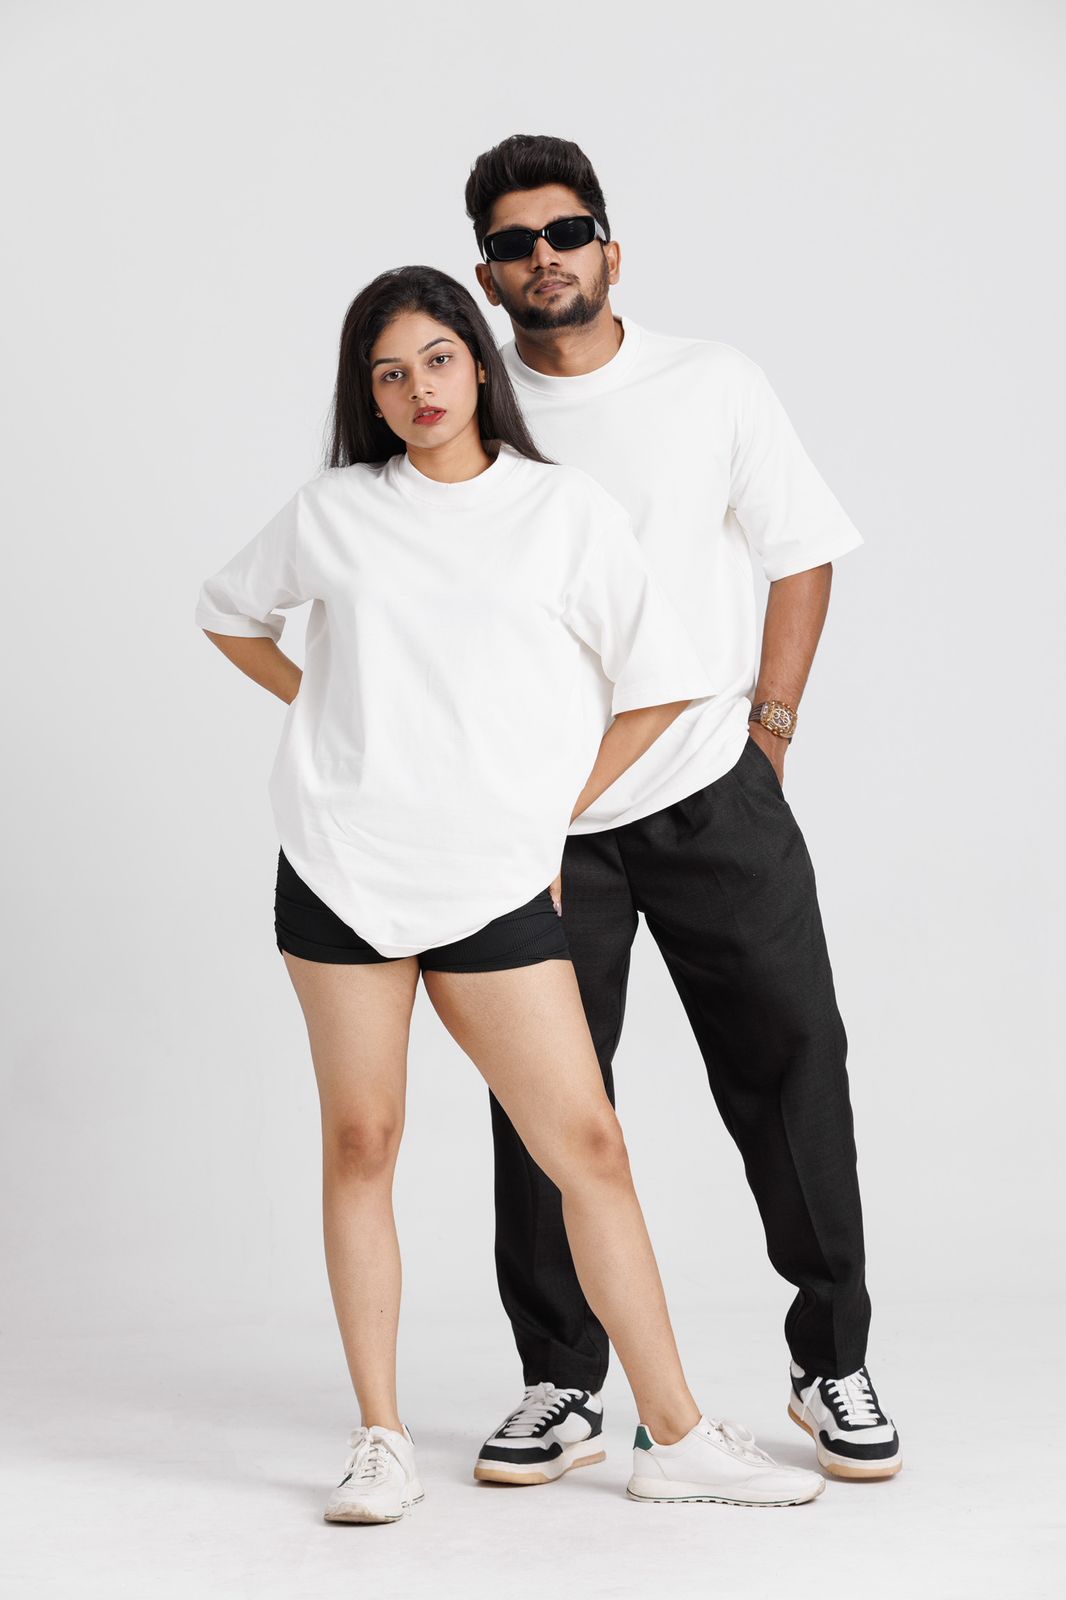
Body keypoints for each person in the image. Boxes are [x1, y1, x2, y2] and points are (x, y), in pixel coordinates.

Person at [194, 265, 826, 1523]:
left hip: (490, 875)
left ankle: (676, 1434)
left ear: (478, 366)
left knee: (586, 1145)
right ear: (368, 397)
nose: (416, 389)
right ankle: (379, 1440)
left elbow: (662, 679)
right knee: (362, 1139)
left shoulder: (560, 509)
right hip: (341, 865)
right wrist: (328, 714)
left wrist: (547, 810)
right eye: (388, 374)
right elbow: (227, 614)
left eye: (436, 359)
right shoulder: (334, 510)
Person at [463, 134, 902, 1484]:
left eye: (566, 231)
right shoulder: (473, 414)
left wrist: (768, 733)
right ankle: (559, 1379)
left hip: (715, 795)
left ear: (609, 247)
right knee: (544, 1103)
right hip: (543, 822)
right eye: (515, 243)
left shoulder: (709, 382)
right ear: (486, 275)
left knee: (792, 1066)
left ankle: (830, 1361)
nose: (545, 257)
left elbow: (801, 551)